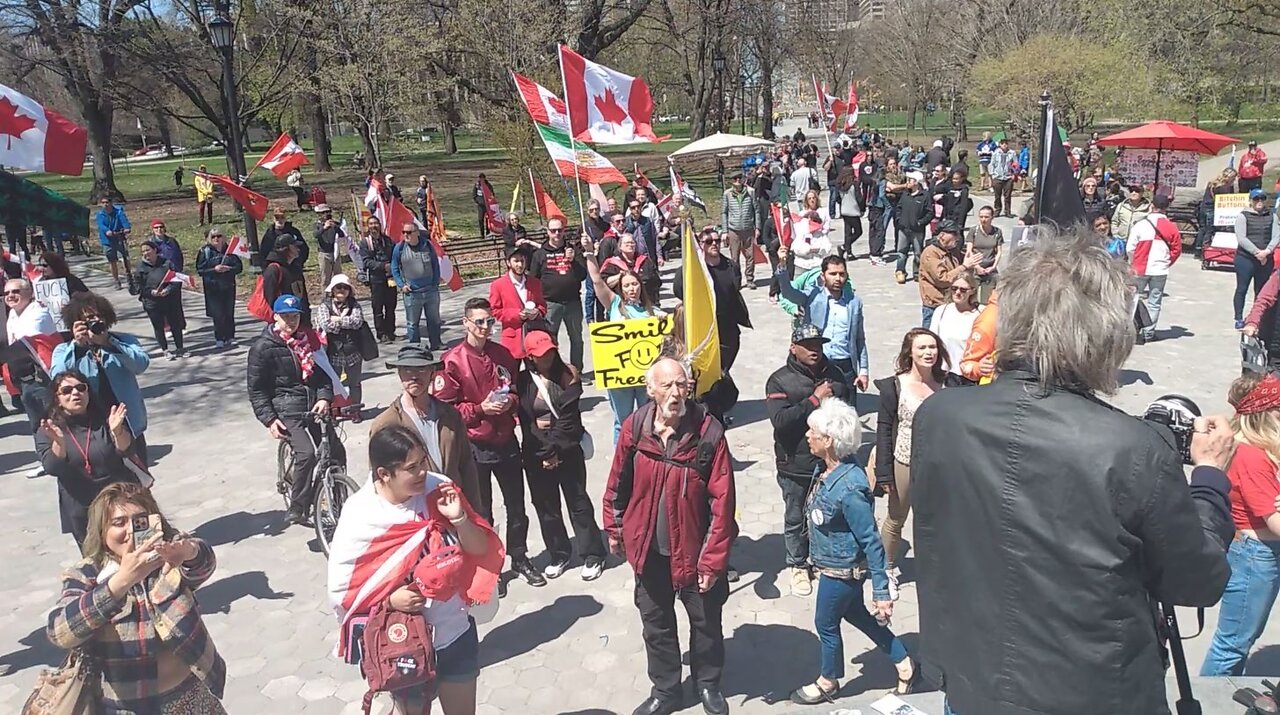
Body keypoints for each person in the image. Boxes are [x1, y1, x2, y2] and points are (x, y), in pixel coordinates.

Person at [911, 228, 1235, 715]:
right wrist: (1209, 477)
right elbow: (1197, 581)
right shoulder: (1131, 448)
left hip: (971, 680)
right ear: (1105, 332)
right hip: (1094, 692)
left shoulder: (939, 416)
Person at [328, 425, 502, 715]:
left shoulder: (439, 488)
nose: (423, 472)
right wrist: (389, 600)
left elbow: (478, 549)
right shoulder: (361, 516)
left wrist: (459, 518)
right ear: (384, 474)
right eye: (412, 468)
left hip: (453, 632)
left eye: (423, 462)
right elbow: (344, 590)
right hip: (402, 643)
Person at [603, 357, 736, 715]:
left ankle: (707, 684)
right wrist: (614, 528)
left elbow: (723, 503)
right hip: (648, 548)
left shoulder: (708, 434)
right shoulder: (635, 428)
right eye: (667, 385)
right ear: (650, 390)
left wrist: (713, 560)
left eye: (682, 384)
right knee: (656, 624)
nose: (675, 392)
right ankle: (666, 691)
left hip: (695, 551)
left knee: (706, 624)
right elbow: (617, 482)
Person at [46, 483, 225, 712]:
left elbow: (203, 566)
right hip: (130, 708)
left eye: (139, 521)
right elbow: (60, 632)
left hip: (191, 695)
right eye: (118, 523)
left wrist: (190, 551)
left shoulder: (165, 557)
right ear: (102, 531)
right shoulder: (87, 575)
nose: (130, 530)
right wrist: (120, 582)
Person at [789, 397, 920, 705]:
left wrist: (881, 590)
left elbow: (871, 540)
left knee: (825, 622)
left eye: (813, 432)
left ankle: (828, 680)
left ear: (829, 441)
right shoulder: (828, 469)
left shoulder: (850, 490)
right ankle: (905, 664)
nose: (807, 436)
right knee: (858, 616)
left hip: (842, 571)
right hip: (832, 565)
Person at [436, 297, 545, 594]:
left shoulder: (502, 354)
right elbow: (447, 410)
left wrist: (508, 401)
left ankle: (520, 556)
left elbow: (512, 389)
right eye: (479, 322)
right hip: (474, 445)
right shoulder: (452, 360)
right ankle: (488, 566)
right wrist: (481, 409)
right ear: (466, 323)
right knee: (482, 511)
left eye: (489, 322)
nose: (485, 328)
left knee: (517, 505)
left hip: (506, 439)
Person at [1200, 372, 1280, 675]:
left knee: (1236, 639)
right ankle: (1212, 699)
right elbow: (1275, 522)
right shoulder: (1253, 458)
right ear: (1262, 413)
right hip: (1256, 557)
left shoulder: (1238, 445)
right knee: (1233, 643)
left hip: (1248, 549)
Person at [766, 324, 852, 598]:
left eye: (818, 344)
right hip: (796, 462)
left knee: (830, 514)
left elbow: (850, 412)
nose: (815, 350)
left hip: (832, 461)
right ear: (794, 347)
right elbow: (780, 422)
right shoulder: (779, 381)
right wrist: (814, 400)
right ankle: (797, 564)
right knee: (796, 515)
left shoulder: (836, 374)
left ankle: (824, 559)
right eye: (808, 345)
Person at [516, 331, 607, 581]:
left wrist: (554, 450)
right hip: (536, 451)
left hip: (567, 449)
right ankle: (559, 552)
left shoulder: (569, 374)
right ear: (530, 358)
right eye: (540, 354)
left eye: (550, 351)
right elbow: (527, 421)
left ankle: (593, 553)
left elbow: (569, 419)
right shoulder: (522, 381)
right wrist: (544, 452)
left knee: (578, 502)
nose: (547, 357)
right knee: (546, 505)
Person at [246, 294, 344, 525]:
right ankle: (298, 506)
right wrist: (269, 419)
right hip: (286, 409)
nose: (291, 321)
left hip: (313, 407)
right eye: (286, 317)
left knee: (335, 450)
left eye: (295, 316)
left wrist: (324, 398)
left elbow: (322, 378)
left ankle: (337, 496)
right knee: (306, 453)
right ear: (275, 317)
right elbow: (256, 389)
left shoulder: (305, 342)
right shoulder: (262, 348)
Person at [874, 328, 957, 597]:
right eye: (921, 348)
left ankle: (936, 569)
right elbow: (884, 430)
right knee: (897, 517)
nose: (928, 352)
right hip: (904, 461)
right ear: (909, 352)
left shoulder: (950, 383)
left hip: (939, 464)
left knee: (938, 518)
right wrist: (883, 472)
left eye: (932, 347)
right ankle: (885, 570)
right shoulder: (893, 387)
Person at [35, 370, 142, 546]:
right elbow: (52, 468)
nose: (75, 393)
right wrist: (59, 444)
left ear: (88, 392)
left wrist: (118, 431)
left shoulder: (107, 418)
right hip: (82, 506)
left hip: (121, 499)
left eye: (80, 388)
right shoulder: (48, 430)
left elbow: (128, 450)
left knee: (139, 553)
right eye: (67, 390)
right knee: (100, 564)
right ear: (57, 399)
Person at [370, 345, 482, 508]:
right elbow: (378, 481)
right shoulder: (386, 423)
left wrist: (475, 513)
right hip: (413, 512)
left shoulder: (450, 415)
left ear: (432, 372)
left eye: (421, 369)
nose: (414, 376)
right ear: (399, 373)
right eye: (407, 370)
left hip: (453, 506)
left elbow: (466, 465)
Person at [582, 233, 665, 441]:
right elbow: (597, 281)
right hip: (620, 379)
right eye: (627, 285)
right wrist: (590, 253)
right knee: (623, 422)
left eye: (635, 284)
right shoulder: (614, 304)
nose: (632, 288)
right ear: (621, 288)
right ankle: (623, 465)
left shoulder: (652, 311)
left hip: (645, 377)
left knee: (649, 420)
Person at [53, 291, 152, 463]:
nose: (94, 321)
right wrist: (77, 346)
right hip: (92, 426)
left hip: (128, 422)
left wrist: (109, 343)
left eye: (98, 317)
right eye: (87, 319)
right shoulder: (64, 351)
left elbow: (140, 365)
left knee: (139, 479)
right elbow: (57, 379)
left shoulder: (124, 341)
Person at [775, 254, 869, 390]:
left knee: (848, 409)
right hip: (818, 364)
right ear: (823, 276)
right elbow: (788, 293)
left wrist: (863, 371)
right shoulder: (811, 296)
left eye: (842, 274)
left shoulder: (854, 302)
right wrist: (782, 264)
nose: (838, 278)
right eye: (833, 274)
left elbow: (859, 339)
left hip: (846, 365)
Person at [674, 227, 752, 373]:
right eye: (709, 241)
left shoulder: (731, 266)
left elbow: (735, 289)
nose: (714, 244)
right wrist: (688, 262)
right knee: (706, 372)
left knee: (723, 371)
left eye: (717, 241)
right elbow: (678, 290)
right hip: (703, 327)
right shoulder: (693, 268)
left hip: (727, 329)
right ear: (701, 244)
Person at [530, 217, 587, 372]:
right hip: (550, 303)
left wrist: (573, 260)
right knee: (549, 339)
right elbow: (533, 279)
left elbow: (583, 275)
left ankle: (577, 371)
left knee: (576, 339)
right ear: (548, 232)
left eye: (560, 230)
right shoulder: (540, 254)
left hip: (573, 302)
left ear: (564, 231)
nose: (557, 233)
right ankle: (554, 370)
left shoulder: (573, 250)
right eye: (553, 230)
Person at [1127, 189, 1183, 343]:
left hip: (1139, 267)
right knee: (1155, 301)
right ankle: (1149, 333)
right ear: (1166, 207)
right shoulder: (1172, 227)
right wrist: (1166, 262)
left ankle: (1131, 330)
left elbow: (1130, 248)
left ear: (1152, 206)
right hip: (1160, 270)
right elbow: (1177, 250)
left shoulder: (1140, 224)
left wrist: (1133, 260)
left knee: (1132, 299)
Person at [314, 274, 369, 406]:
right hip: (333, 352)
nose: (341, 290)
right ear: (332, 290)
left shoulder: (355, 305)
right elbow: (326, 325)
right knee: (333, 384)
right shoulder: (324, 306)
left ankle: (355, 409)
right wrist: (345, 324)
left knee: (354, 383)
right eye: (338, 287)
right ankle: (334, 411)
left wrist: (337, 320)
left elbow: (357, 322)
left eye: (345, 287)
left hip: (353, 351)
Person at [392, 224, 445, 350]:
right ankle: (415, 347)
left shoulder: (427, 245)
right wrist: (401, 284)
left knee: (434, 319)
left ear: (417, 233)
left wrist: (435, 282)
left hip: (430, 291)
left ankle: (436, 343)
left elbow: (435, 265)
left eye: (409, 232)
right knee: (412, 323)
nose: (406, 235)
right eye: (404, 232)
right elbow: (394, 268)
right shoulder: (399, 248)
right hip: (412, 293)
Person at [489, 245, 547, 360]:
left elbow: (542, 305)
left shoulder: (535, 283)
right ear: (508, 263)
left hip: (533, 336)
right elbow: (495, 311)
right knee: (512, 374)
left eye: (522, 261)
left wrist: (537, 312)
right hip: (512, 339)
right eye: (516, 261)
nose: (520, 265)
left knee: (536, 375)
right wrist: (517, 314)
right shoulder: (498, 285)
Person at [919, 221, 981, 327]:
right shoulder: (931, 253)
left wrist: (970, 260)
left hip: (950, 303)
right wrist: (964, 266)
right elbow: (942, 279)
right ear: (942, 235)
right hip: (935, 305)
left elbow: (962, 271)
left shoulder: (952, 251)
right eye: (954, 234)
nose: (957, 238)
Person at [1233, 188, 1279, 329]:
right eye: (1256, 199)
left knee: (1261, 290)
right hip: (1245, 258)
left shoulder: (1272, 216)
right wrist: (1257, 252)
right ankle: (1239, 317)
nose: (1259, 202)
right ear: (1251, 201)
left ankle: (1257, 318)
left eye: (1262, 199)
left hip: (1265, 258)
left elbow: (1277, 235)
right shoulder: (1243, 216)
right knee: (1242, 289)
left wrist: (1267, 251)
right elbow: (1241, 238)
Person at [134, 240, 187, 359]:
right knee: (158, 326)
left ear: (155, 250)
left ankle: (180, 348)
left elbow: (177, 280)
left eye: (148, 250)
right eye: (143, 252)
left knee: (175, 325)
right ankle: (165, 350)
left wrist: (168, 290)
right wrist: (151, 292)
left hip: (169, 300)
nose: (146, 253)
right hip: (152, 303)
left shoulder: (167, 263)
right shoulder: (140, 268)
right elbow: (139, 287)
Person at [928, 272, 983, 380]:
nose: (957, 292)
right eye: (954, 288)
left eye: (963, 290)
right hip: (945, 374)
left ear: (972, 291)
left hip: (971, 375)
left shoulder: (981, 313)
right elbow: (932, 341)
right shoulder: (941, 311)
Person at [195, 228, 243, 350]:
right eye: (213, 237)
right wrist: (214, 270)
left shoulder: (230, 250)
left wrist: (229, 269)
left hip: (228, 286)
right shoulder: (204, 251)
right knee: (218, 314)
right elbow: (200, 270)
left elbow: (239, 267)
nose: (216, 239)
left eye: (219, 236)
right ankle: (219, 338)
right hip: (213, 288)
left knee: (229, 313)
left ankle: (230, 336)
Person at [361, 215, 398, 343]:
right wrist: (383, 266)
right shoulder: (366, 243)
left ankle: (391, 330)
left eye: (375, 223)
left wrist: (393, 266)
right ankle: (381, 333)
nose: (373, 226)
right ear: (368, 227)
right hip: (376, 279)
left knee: (391, 305)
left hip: (390, 278)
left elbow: (395, 255)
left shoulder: (387, 240)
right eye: (370, 224)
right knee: (378, 307)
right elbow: (366, 262)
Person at [261, 233, 310, 326]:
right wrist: (282, 318)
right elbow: (270, 298)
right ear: (286, 249)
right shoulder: (273, 270)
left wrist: (306, 318)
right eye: (294, 246)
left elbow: (303, 296)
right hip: (284, 321)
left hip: (301, 319)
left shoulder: (295, 267)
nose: (298, 249)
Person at [893, 172, 930, 284]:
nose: (907, 182)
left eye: (910, 180)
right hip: (903, 229)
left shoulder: (925, 196)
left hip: (917, 231)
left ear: (916, 183)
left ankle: (917, 273)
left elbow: (929, 213)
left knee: (918, 253)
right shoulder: (905, 194)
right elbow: (899, 208)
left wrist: (920, 222)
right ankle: (900, 271)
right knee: (901, 252)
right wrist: (899, 220)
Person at [721, 174, 758, 288]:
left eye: (739, 179)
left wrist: (758, 227)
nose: (737, 181)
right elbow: (724, 212)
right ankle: (736, 280)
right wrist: (724, 230)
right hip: (734, 230)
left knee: (750, 256)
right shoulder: (727, 194)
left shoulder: (751, 192)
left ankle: (750, 279)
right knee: (734, 258)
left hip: (748, 229)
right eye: (735, 179)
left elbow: (756, 210)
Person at [964, 206, 1003, 304]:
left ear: (992, 217)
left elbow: (999, 252)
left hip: (990, 268)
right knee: (972, 297)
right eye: (981, 217)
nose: (983, 220)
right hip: (975, 268)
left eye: (986, 217)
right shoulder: (974, 231)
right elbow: (969, 251)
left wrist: (993, 267)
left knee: (989, 298)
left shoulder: (997, 232)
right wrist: (977, 267)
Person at [95, 197, 133, 291]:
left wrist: (126, 227)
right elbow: (101, 225)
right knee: (112, 261)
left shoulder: (118, 212)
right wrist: (107, 231)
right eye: (103, 203)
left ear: (111, 203)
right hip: (107, 240)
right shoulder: (100, 214)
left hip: (119, 238)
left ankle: (129, 277)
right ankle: (116, 280)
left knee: (125, 258)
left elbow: (124, 221)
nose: (105, 204)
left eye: (107, 202)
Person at [792, 190, 834, 272]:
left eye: (813, 198)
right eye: (809, 198)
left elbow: (827, 226)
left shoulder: (823, 211)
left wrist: (818, 229)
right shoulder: (802, 213)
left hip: (818, 254)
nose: (812, 200)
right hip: (803, 260)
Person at [313, 204, 346, 289]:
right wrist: (324, 227)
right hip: (324, 254)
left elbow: (342, 235)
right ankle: (326, 297)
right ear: (319, 214)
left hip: (335, 253)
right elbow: (316, 235)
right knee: (325, 278)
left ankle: (339, 294)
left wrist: (336, 227)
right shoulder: (317, 225)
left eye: (328, 212)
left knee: (338, 276)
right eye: (323, 212)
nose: (326, 214)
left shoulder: (335, 224)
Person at [473, 173, 495, 238]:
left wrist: (490, 201)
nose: (482, 179)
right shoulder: (477, 185)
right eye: (480, 178)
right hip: (480, 206)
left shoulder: (488, 185)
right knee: (480, 219)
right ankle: (482, 234)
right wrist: (478, 202)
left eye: (483, 178)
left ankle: (488, 233)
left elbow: (492, 194)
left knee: (488, 219)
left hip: (488, 205)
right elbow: (474, 195)